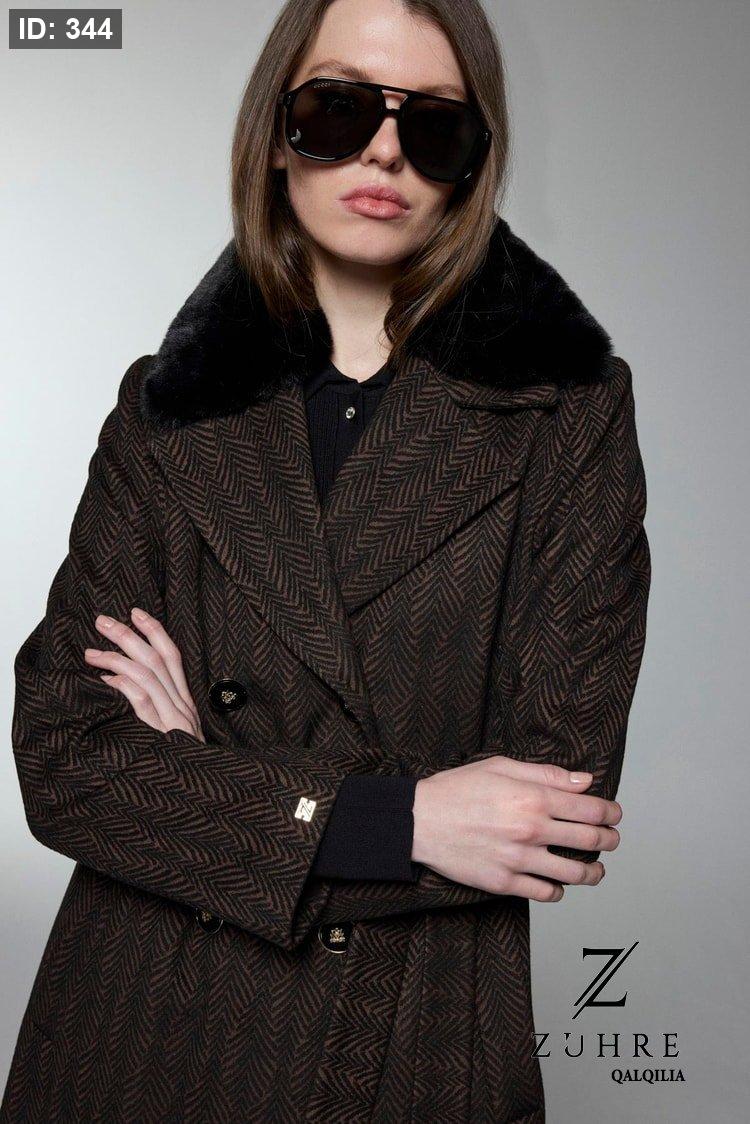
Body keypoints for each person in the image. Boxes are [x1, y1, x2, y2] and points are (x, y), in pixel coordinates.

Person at [1, 0, 651, 1121]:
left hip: (400, 1043)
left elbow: (551, 810)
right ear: (275, 133)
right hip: (132, 1028)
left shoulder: (569, 413)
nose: (385, 152)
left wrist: (198, 775)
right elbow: (67, 756)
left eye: (434, 125)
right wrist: (403, 819)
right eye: (339, 109)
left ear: (471, 163)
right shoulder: (167, 406)